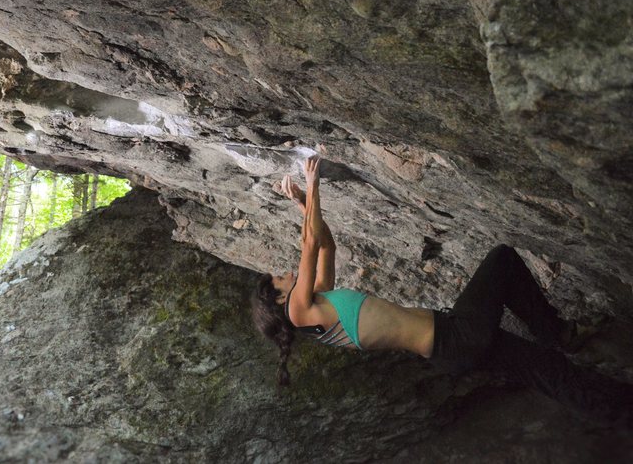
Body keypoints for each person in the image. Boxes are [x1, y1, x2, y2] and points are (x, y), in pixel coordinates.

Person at [252, 156, 632, 425]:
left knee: (552, 373)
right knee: (502, 260)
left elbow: (325, 246)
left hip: (451, 340)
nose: (287, 273)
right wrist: (313, 184)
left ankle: (620, 406)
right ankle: (557, 333)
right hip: (455, 337)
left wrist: (305, 204)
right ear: (280, 298)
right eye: (281, 279)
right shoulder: (299, 313)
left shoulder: (319, 306)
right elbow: (308, 247)